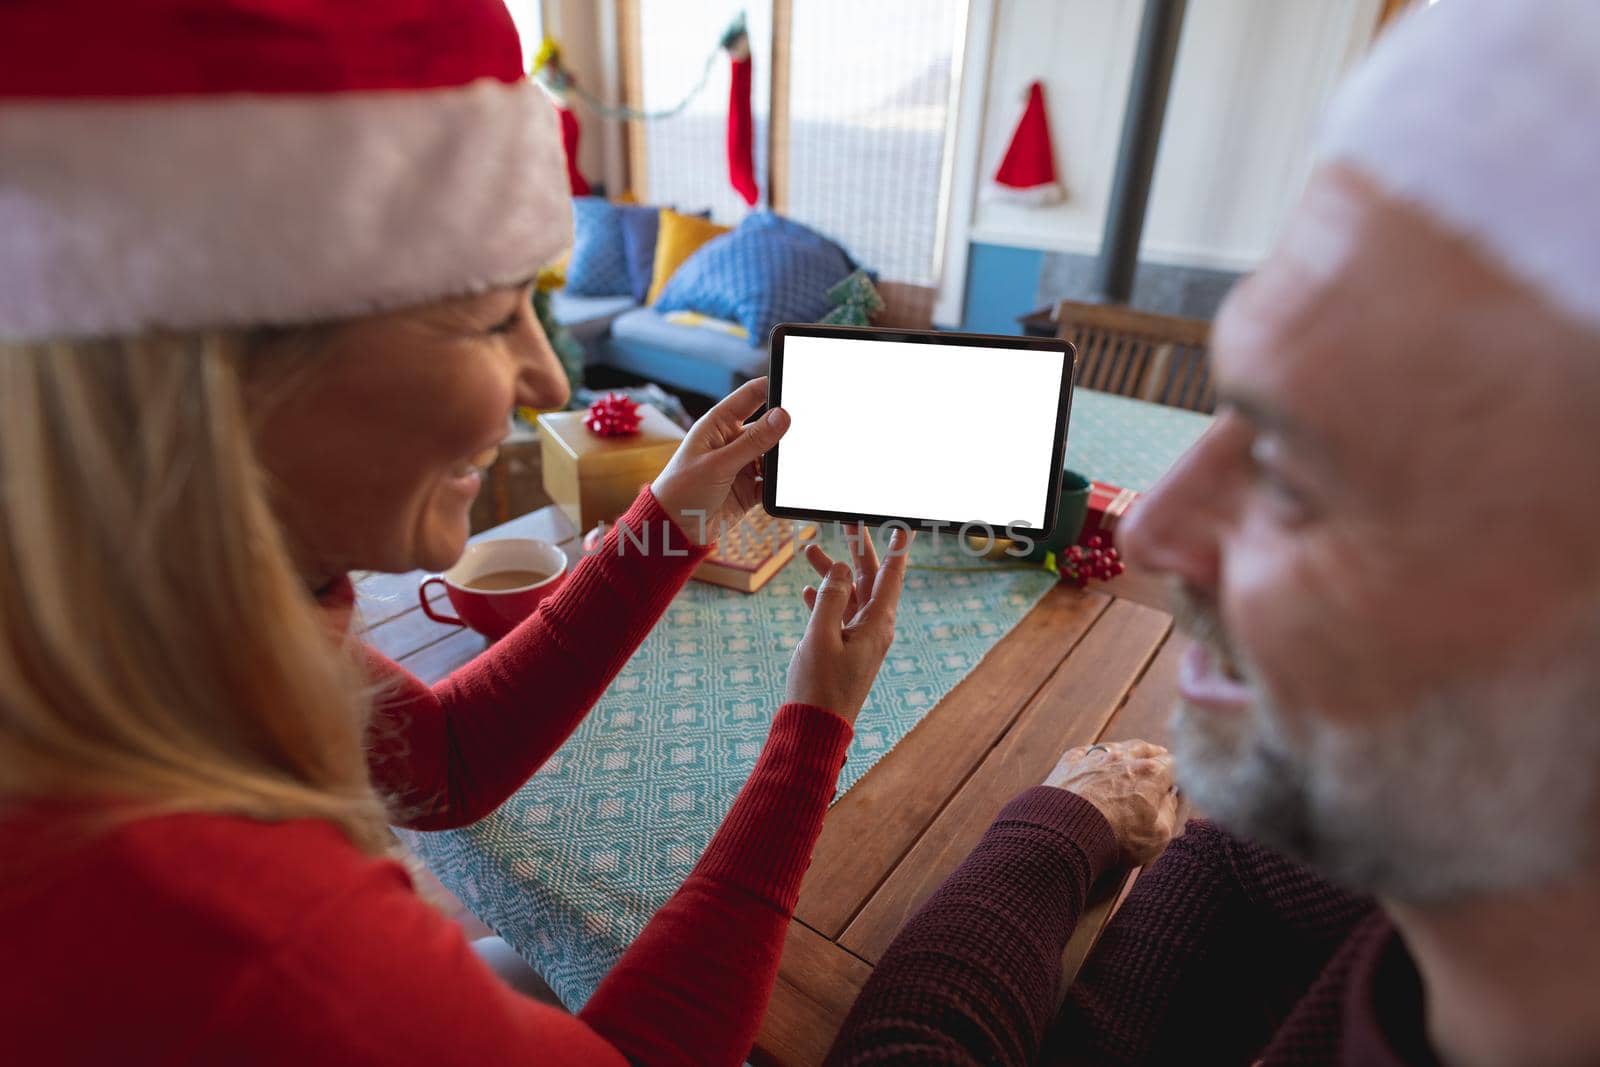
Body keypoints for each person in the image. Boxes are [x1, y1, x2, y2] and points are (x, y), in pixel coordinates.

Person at [0, 2, 911, 1064]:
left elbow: (445, 759)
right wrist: (814, 727)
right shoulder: (251, 935)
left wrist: (669, 519)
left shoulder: (151, 610)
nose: (547, 377)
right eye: (492, 319)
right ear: (220, 384)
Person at [826, 1, 1600, 1064]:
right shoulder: (1440, 883)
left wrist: (1055, 827)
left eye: (1297, 463)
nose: (1154, 536)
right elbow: (1243, 854)